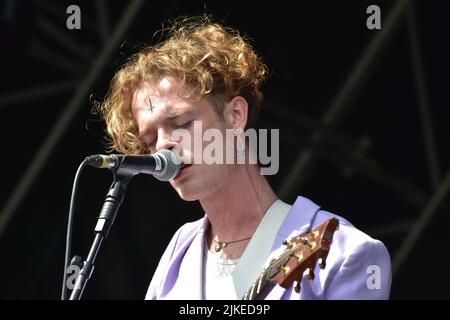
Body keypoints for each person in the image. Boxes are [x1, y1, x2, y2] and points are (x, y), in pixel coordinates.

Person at [97, 15, 392, 300]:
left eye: (182, 122)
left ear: (236, 115)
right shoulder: (178, 255)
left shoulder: (346, 253)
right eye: (150, 140)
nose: (163, 145)